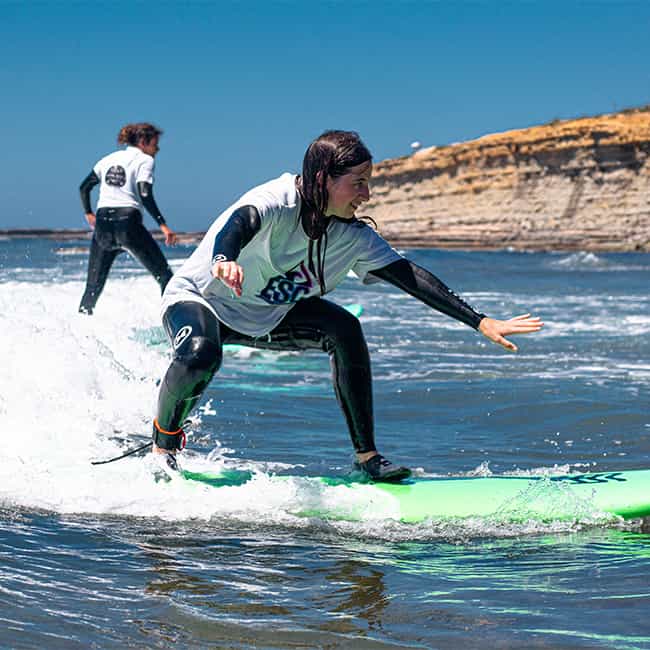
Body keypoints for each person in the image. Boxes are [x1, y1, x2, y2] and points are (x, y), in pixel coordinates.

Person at [151, 130, 543, 482]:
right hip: (202, 297)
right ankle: (162, 446)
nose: (366, 195)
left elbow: (411, 276)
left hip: (264, 314)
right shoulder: (277, 200)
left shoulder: (352, 236)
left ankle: (367, 457)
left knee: (344, 330)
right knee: (202, 354)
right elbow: (242, 221)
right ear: (323, 179)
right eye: (358, 184)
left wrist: (480, 321)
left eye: (368, 183)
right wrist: (224, 260)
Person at [78, 122, 178, 315]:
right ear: (143, 142)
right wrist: (163, 225)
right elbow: (145, 193)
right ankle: (174, 322)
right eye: (154, 144)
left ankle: (81, 332)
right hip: (128, 225)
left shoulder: (107, 159)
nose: (157, 149)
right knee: (164, 276)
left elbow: (84, 187)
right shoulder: (145, 160)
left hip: (102, 227)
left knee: (92, 287)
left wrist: (88, 213)